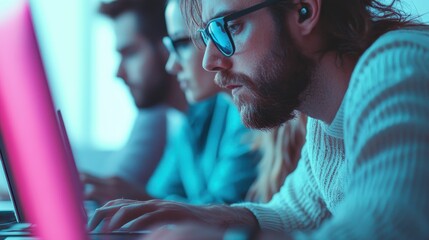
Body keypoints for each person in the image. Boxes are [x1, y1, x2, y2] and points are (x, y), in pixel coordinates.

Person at [88, 0, 429, 239]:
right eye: (207, 37)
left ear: (304, 10)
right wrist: (209, 216)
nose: (209, 61)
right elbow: (295, 213)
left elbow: (382, 232)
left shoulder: (398, 63)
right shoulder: (327, 122)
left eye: (228, 27)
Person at [143, 0, 260, 204]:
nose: (171, 66)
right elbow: (159, 193)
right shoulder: (197, 115)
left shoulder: (253, 117)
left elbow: (223, 208)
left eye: (182, 44)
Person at [80, 0, 188, 204]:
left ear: (167, 48)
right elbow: (163, 196)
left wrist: (139, 200)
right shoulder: (183, 127)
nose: (118, 73)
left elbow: (228, 214)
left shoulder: (230, 114)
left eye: (130, 53)